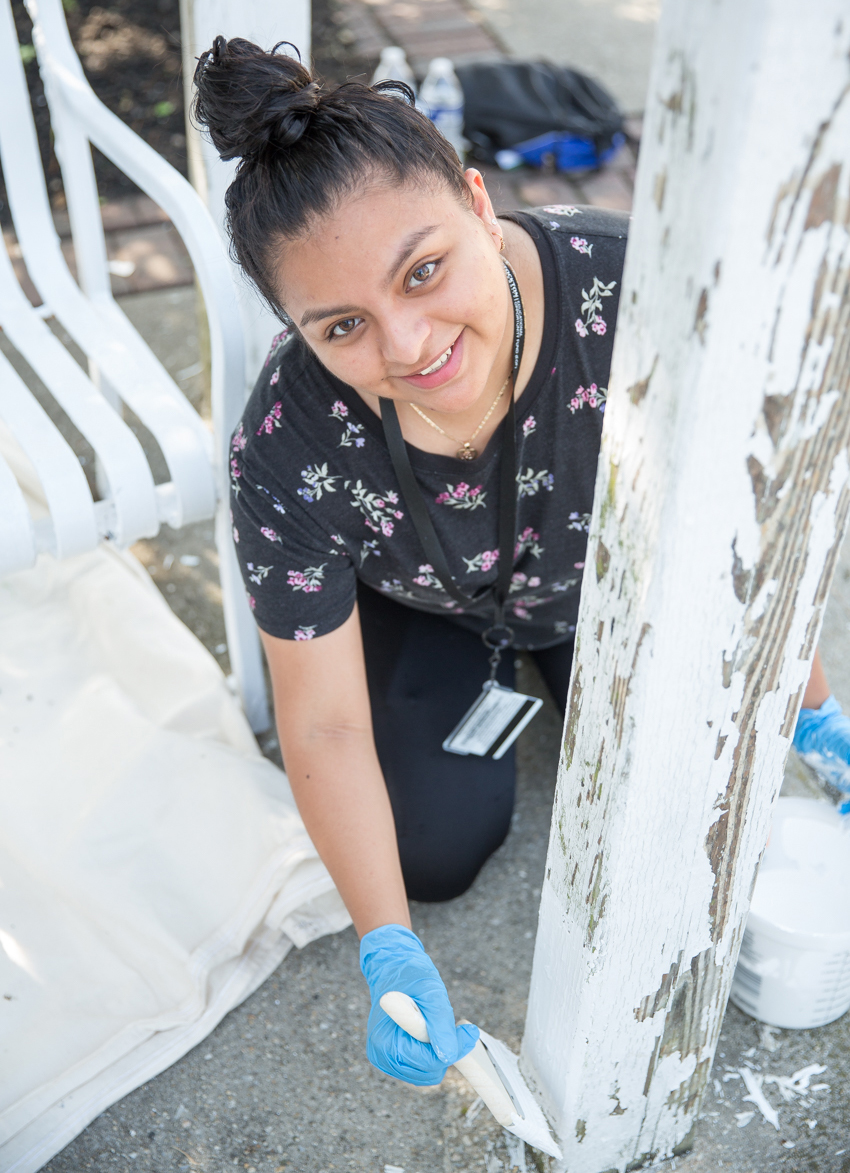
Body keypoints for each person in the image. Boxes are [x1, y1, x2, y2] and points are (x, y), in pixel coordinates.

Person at [192, 37, 850, 1087]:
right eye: (344, 325)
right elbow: (318, 720)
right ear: (296, 333)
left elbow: (748, 521)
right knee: (433, 856)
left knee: (703, 786)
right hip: (430, 609)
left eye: (424, 269)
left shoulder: (638, 289)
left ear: (476, 198)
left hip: (613, 584)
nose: (408, 343)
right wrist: (384, 946)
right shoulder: (287, 442)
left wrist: (805, 707)